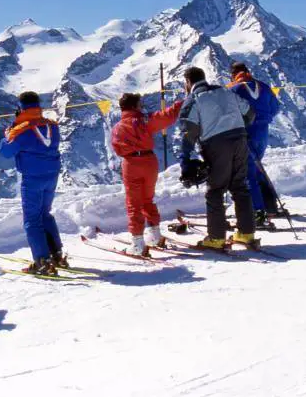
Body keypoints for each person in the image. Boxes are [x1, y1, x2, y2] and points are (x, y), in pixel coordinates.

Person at [178, 66, 257, 248]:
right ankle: (246, 233)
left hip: (216, 144)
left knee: (215, 190)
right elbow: (250, 113)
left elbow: (189, 132)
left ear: (188, 83)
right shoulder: (225, 91)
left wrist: (186, 162)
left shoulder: (193, 100)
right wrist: (237, 126)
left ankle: (216, 238)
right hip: (240, 140)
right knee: (239, 186)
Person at [0, 91, 65, 275]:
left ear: (20, 108)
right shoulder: (52, 125)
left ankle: (42, 261)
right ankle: (56, 253)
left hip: (32, 178)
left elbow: (5, 151)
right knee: (45, 214)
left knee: (32, 219)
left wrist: (8, 133)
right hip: (52, 175)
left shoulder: (21, 130)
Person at [111, 93, 183, 255]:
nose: (142, 106)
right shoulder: (144, 120)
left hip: (130, 163)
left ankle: (137, 243)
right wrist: (181, 103)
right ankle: (155, 235)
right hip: (150, 161)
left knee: (133, 203)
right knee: (147, 198)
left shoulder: (117, 127)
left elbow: (117, 148)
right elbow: (167, 117)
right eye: (140, 104)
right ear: (134, 106)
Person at [227, 62, 282, 227]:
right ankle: (270, 205)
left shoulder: (234, 89)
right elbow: (276, 107)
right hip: (263, 133)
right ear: (247, 72)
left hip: (245, 133)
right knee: (257, 168)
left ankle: (257, 212)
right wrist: (264, 118)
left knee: (247, 172)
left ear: (233, 74)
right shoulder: (263, 86)